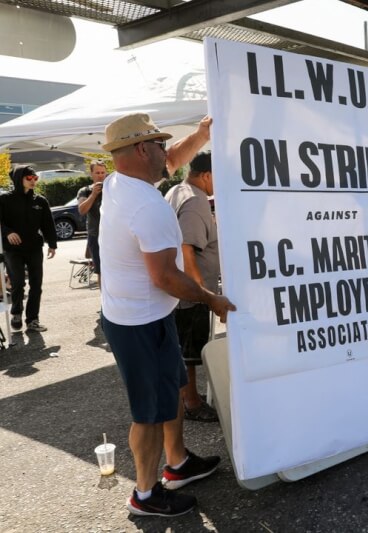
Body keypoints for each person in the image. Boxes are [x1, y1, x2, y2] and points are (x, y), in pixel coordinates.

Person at [99, 113, 236, 517]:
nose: (166, 151)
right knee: (148, 412)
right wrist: (212, 299)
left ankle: (177, 464)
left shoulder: (118, 181)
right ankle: (144, 494)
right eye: (159, 144)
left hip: (144, 315)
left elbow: (172, 161)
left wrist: (200, 136)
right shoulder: (147, 206)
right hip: (137, 323)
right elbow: (165, 276)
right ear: (142, 150)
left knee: (174, 388)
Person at [165, 151, 219, 422]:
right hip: (191, 292)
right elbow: (187, 251)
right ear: (206, 175)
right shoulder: (196, 200)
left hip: (180, 290)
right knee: (190, 352)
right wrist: (205, 295)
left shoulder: (177, 189)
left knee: (184, 349)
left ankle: (189, 400)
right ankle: (192, 403)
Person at [0, 166, 58, 332]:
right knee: (17, 282)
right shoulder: (4, 199)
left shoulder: (40, 201)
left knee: (36, 284)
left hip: (34, 247)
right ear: (19, 179)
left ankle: (32, 320)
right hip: (13, 249)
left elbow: (48, 224)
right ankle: (16, 313)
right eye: (29, 178)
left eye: (35, 178)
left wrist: (52, 244)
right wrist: (8, 232)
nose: (33, 181)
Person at [77, 160, 107, 288]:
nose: (100, 175)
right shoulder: (85, 191)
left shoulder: (112, 189)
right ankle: (104, 304)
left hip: (113, 235)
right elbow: (82, 210)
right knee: (101, 271)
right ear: (91, 174)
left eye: (103, 173)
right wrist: (94, 194)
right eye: (97, 173)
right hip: (95, 235)